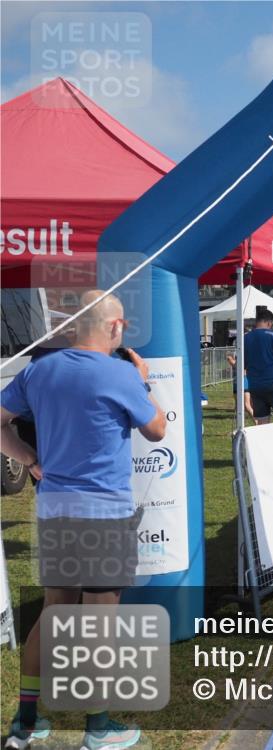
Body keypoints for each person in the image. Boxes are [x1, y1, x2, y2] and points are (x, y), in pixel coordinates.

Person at [0, 290, 166, 750]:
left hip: (54, 510)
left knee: (54, 615)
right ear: (113, 327)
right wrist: (144, 381)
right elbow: (157, 430)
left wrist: (28, 458)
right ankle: (98, 728)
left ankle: (26, 722)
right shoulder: (120, 373)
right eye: (123, 327)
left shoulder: (38, 370)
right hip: (103, 515)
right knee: (98, 622)